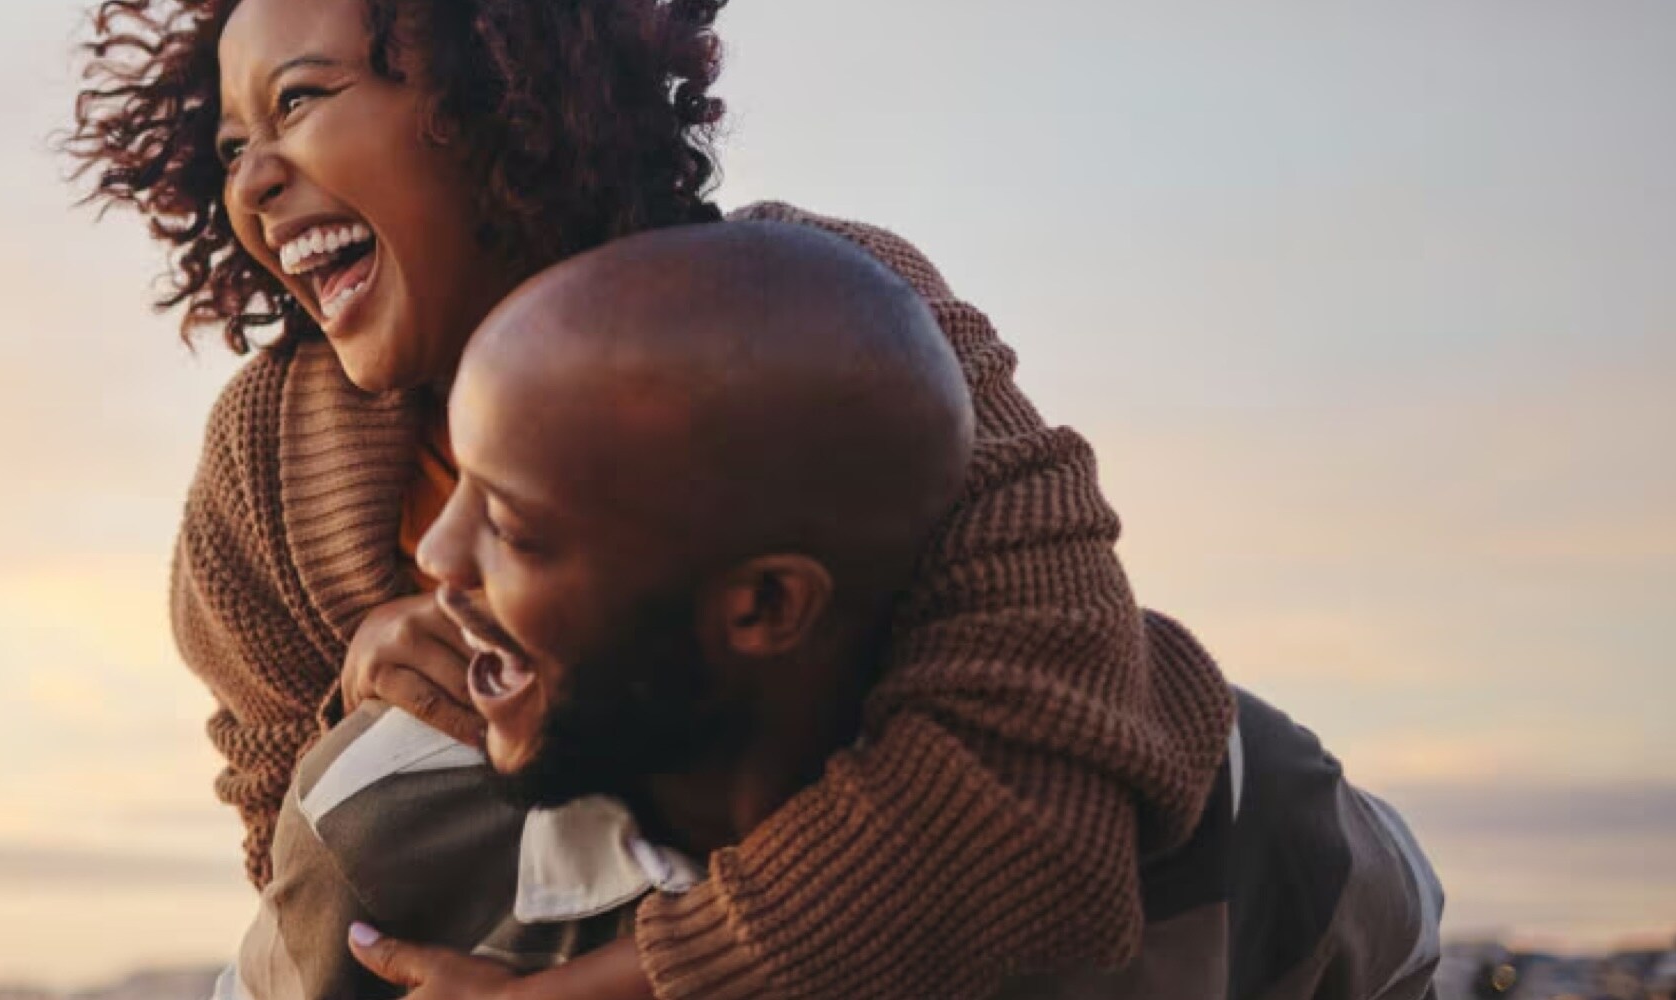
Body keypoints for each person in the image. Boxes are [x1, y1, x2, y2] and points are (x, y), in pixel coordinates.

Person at [68, 0, 1236, 995]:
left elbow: (1039, 810)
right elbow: (303, 876)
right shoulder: (266, 465)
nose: (257, 179)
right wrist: (355, 689)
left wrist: (631, 989)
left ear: (495, 86)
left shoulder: (833, 325)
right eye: (229, 148)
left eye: (301, 100)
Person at [340, 221, 1444, 1000]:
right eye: (458, 486)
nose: (434, 560)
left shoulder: (1251, 833)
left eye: (518, 530)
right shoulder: (381, 821)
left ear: (768, 603)